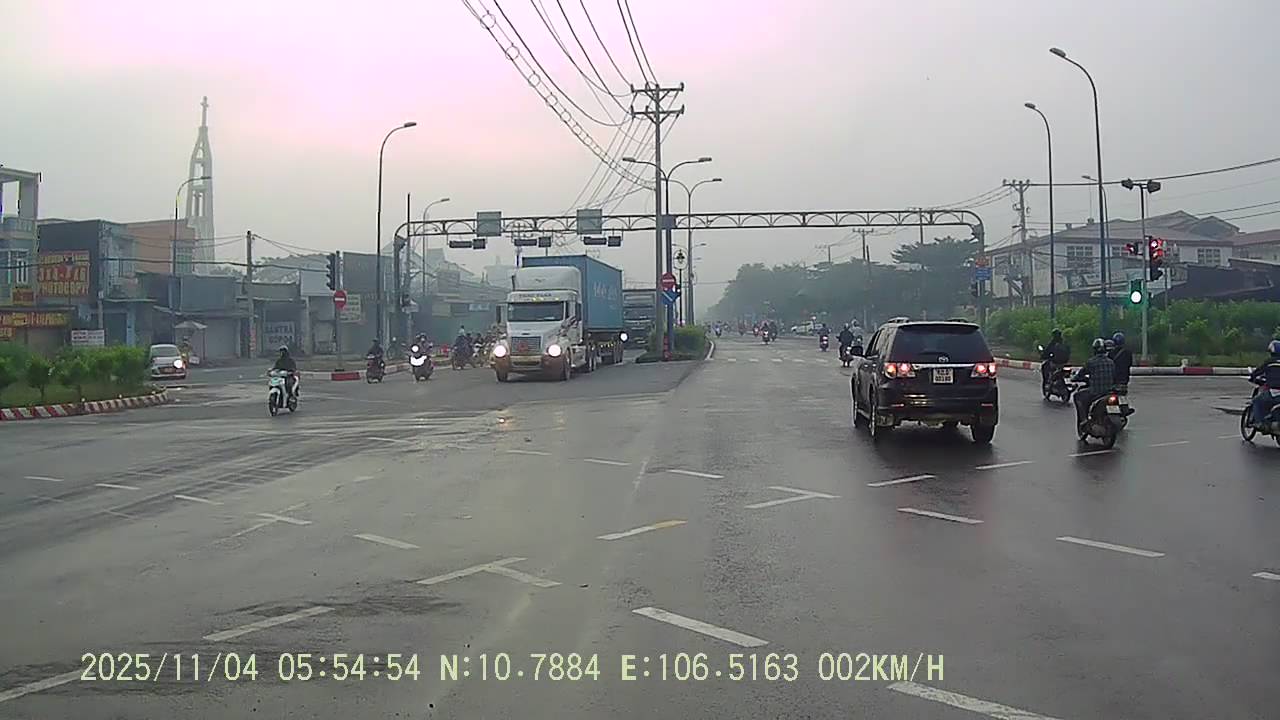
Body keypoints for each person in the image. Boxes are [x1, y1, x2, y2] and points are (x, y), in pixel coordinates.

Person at [1071, 338, 1117, 430]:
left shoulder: (1091, 362)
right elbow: (1114, 376)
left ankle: (1084, 420)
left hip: (1095, 392)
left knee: (1077, 396)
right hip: (1109, 391)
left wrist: (1075, 378)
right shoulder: (1111, 362)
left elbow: (1080, 374)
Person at [1247, 340, 1280, 427]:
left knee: (1256, 401)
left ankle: (1260, 423)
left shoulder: (1269, 362)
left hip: (1274, 392)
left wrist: (1252, 377)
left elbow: (1257, 372)